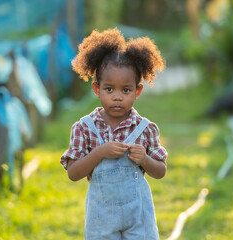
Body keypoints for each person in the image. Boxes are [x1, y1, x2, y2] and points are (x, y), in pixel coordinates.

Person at [60, 28, 167, 240]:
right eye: (109, 89)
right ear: (96, 89)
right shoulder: (84, 128)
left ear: (137, 91)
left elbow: (160, 171)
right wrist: (98, 153)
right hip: (102, 219)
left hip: (138, 218)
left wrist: (144, 159)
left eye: (125, 90)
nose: (117, 97)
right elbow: (73, 173)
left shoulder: (145, 129)